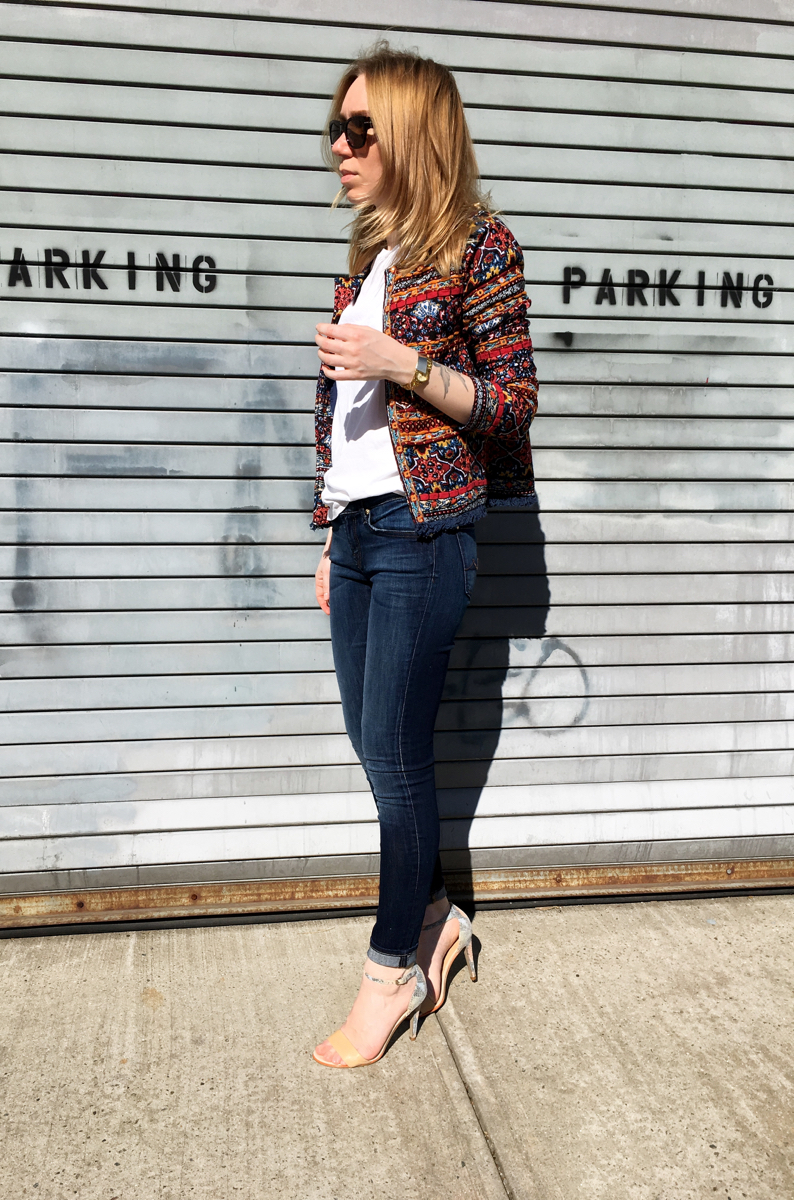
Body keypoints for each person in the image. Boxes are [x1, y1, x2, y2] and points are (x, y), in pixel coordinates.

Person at [310, 44, 538, 1069]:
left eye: (361, 129)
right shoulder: (369, 260)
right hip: (360, 534)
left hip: (423, 532)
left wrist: (404, 361)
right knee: (374, 748)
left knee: (398, 766)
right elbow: (345, 425)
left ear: (412, 132)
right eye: (336, 127)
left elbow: (512, 405)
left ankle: (392, 971)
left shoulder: (481, 247)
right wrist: (328, 526)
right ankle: (440, 915)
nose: (339, 146)